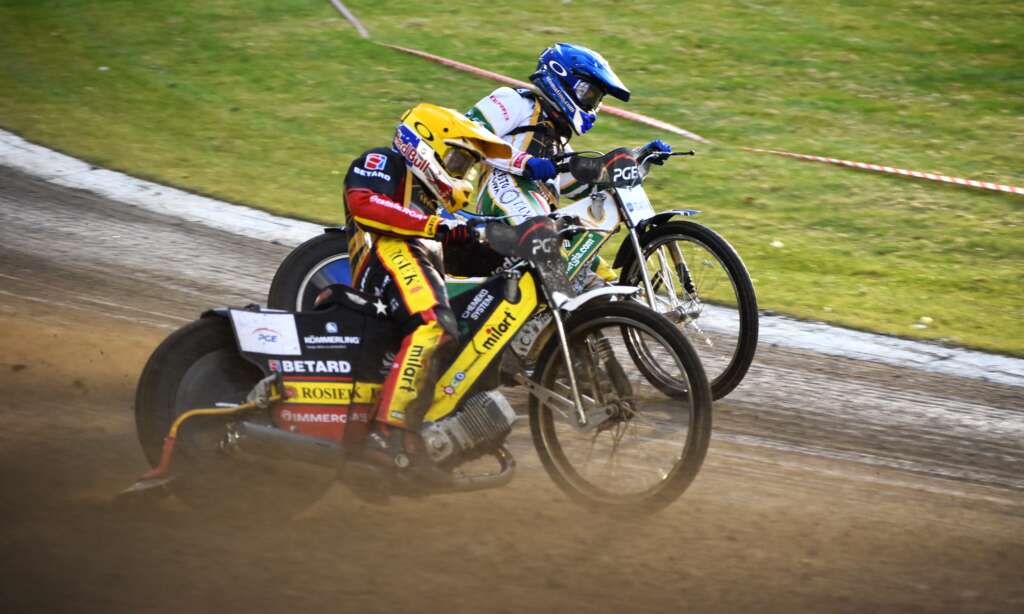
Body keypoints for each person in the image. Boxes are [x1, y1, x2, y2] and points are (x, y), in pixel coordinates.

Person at [338, 103, 511, 480]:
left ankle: (437, 430)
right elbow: (364, 205)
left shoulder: (432, 208)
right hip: (385, 255)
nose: (462, 175)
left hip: (413, 259)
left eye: (469, 167)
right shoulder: (385, 162)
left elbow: (462, 254)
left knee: (465, 332)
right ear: (424, 143)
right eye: (457, 161)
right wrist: (436, 226)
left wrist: (514, 251)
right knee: (433, 323)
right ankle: (388, 433)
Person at [466, 42, 672, 283]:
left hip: (544, 211)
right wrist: (525, 162)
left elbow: (580, 184)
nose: (592, 104)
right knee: (549, 245)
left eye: (597, 100)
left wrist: (638, 161)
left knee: (601, 277)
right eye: (590, 94)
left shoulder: (559, 139)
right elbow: (469, 135)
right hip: (504, 188)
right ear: (561, 77)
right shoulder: (514, 100)